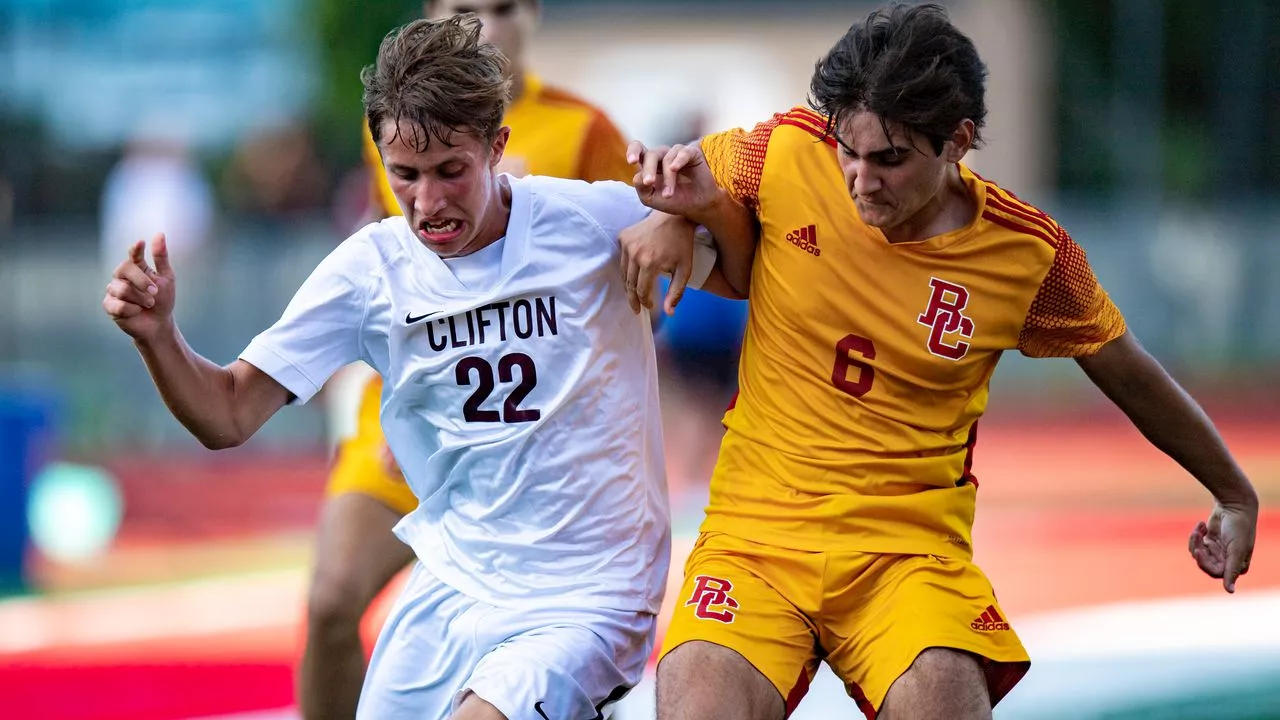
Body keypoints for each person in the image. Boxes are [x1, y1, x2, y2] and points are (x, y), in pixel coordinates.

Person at [619, 4, 1259, 719]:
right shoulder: (781, 150)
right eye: (847, 151)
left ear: (956, 142)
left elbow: (1131, 372)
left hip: (909, 554)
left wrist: (1235, 493)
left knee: (944, 701)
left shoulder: (1029, 256)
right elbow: (684, 180)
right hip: (755, 536)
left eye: (889, 159)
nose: (861, 179)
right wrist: (669, 217)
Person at [103, 16, 747, 720]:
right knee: (329, 603)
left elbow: (743, 266)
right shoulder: (368, 270)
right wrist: (159, 337)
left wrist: (689, 217)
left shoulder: (590, 218)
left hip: (589, 593)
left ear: (498, 147)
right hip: (450, 591)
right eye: (404, 175)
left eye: (451, 172)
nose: (429, 203)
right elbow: (227, 414)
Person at [306, 1, 636, 718]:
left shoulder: (587, 131)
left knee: (531, 647)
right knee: (331, 598)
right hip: (409, 417)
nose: (487, 24)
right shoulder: (391, 124)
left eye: (503, 7)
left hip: (530, 438)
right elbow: (385, 262)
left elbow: (637, 268)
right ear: (433, 13)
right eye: (465, 8)